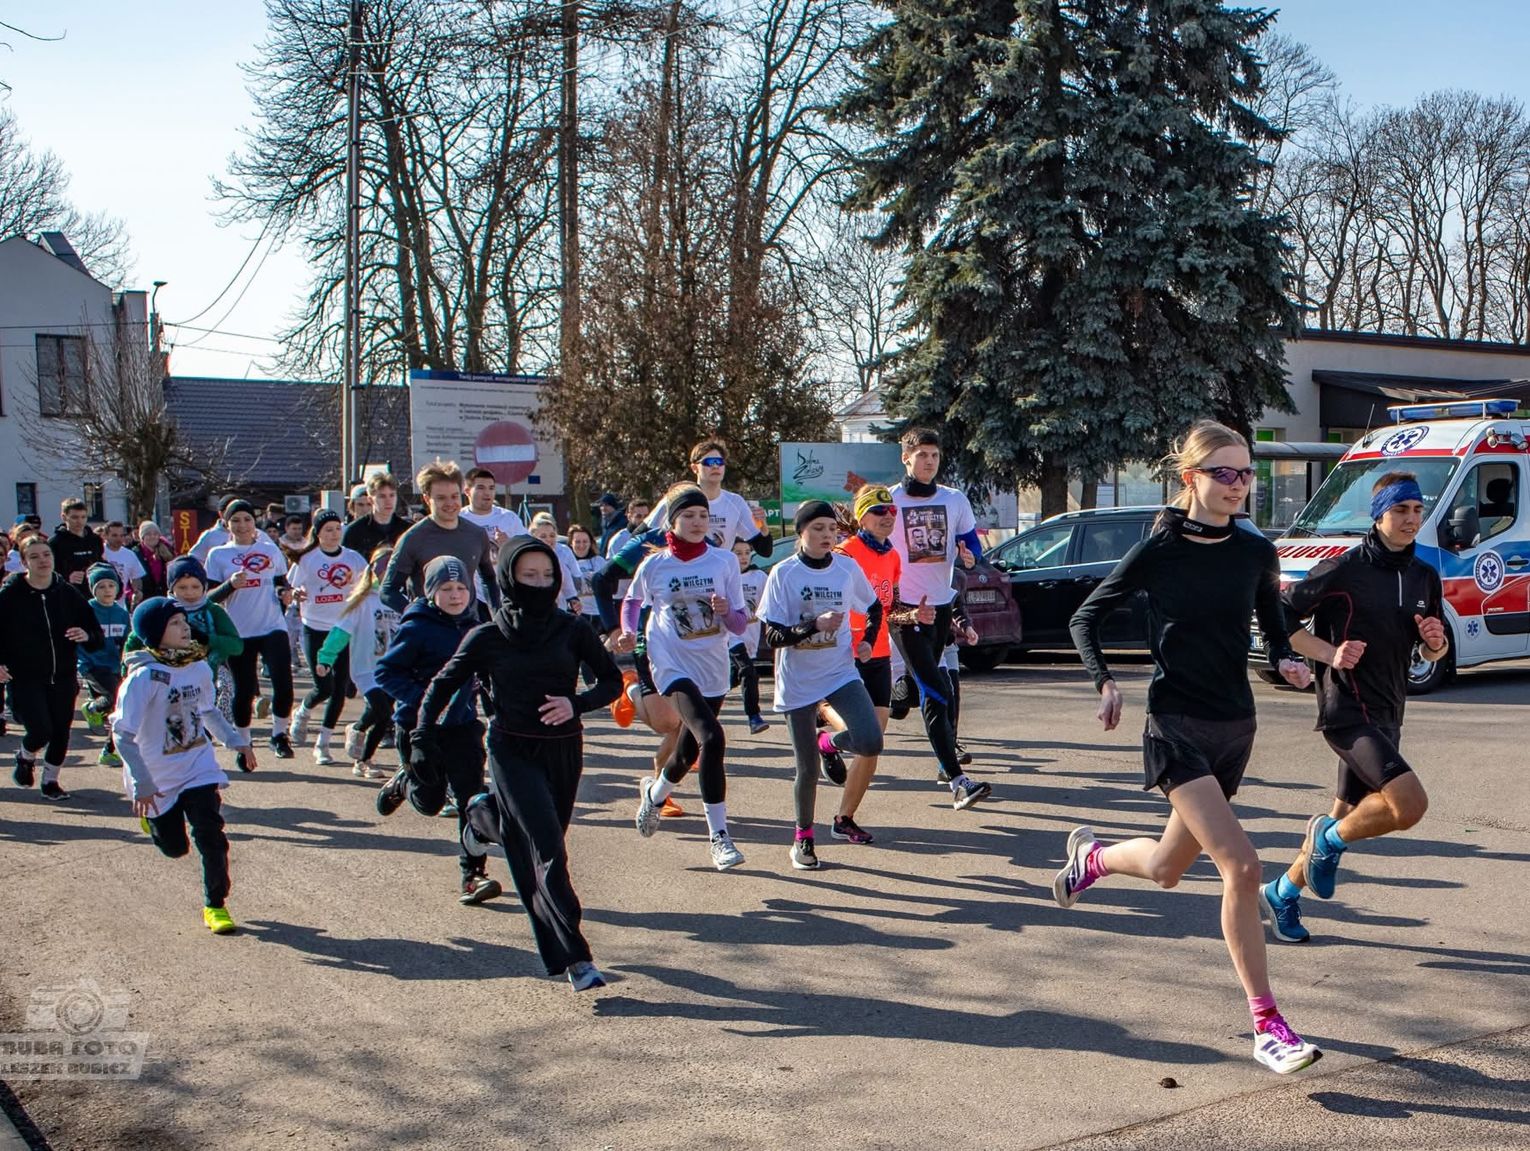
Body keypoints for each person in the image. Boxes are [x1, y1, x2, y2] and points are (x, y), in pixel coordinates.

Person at [1058, 420, 1322, 1075]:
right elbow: (1085, 616)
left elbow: (1274, 626)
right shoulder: (1161, 548)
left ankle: (1092, 856)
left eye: (1245, 473)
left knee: (1168, 866)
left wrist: (1289, 661)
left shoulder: (1255, 551)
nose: (1238, 485)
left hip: (1236, 725)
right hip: (1174, 723)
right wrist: (1106, 680)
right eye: (1224, 473)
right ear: (1191, 479)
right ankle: (1268, 1023)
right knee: (1242, 866)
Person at [424, 537, 623, 989]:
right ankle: (576, 958)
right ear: (508, 577)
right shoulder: (488, 635)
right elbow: (442, 685)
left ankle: (480, 819)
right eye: (528, 576)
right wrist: (420, 735)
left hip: (564, 750)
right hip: (511, 749)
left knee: (534, 837)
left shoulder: (572, 630)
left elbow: (611, 681)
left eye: (547, 576)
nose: (539, 583)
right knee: (547, 850)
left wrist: (577, 703)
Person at [1259, 472, 1444, 945]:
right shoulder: (1344, 568)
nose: (1411, 520)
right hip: (1346, 711)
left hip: (1389, 712)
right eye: (1401, 510)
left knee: (1347, 812)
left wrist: (1434, 647)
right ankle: (1328, 840)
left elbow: (1429, 651)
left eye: (1417, 510)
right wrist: (1328, 654)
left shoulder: (1424, 575)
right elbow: (1279, 619)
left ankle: (1282, 891)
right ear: (1379, 513)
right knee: (1409, 806)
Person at [619, 484, 750, 870]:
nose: (696, 523)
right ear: (672, 522)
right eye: (688, 516)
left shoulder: (723, 562)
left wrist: (726, 611)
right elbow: (632, 601)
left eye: (703, 516)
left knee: (689, 750)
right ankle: (720, 837)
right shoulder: (656, 564)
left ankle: (656, 793)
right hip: (671, 664)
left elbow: (740, 625)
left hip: (711, 665)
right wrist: (628, 630)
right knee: (712, 737)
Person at [115, 597, 257, 936]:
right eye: (175, 623)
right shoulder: (143, 677)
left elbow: (208, 711)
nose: (185, 628)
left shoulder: (196, 666)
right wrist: (141, 781)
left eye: (184, 621)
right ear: (155, 633)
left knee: (211, 834)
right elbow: (122, 735)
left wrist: (237, 740)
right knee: (175, 848)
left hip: (197, 765)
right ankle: (154, 821)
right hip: (156, 774)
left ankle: (215, 904)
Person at [760, 501, 884, 870]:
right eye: (818, 528)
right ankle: (803, 838)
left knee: (870, 739)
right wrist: (814, 625)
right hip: (798, 680)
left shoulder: (847, 568)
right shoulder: (784, 574)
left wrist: (867, 640)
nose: (827, 535)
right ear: (801, 532)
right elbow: (773, 635)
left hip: (839, 672)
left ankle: (827, 741)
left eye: (832, 528)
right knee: (807, 770)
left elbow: (875, 607)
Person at [374, 557, 501, 904]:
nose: (456, 595)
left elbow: (486, 671)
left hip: (462, 727)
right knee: (429, 803)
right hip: (419, 728)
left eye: (461, 588)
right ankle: (405, 781)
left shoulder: (477, 624)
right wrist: (426, 699)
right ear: (431, 592)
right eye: (446, 588)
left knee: (470, 799)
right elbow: (385, 674)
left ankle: (473, 874)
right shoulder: (416, 627)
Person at [888, 428, 992, 809]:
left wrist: (969, 558)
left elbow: (972, 546)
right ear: (906, 459)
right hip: (905, 609)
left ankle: (896, 692)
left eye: (934, 455)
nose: (929, 461)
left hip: (942, 607)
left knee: (922, 692)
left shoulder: (954, 498)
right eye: (921, 455)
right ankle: (957, 781)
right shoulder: (892, 501)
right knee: (938, 690)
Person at [825, 484, 929, 844]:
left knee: (874, 740)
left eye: (892, 513)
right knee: (865, 732)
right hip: (847, 654)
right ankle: (827, 727)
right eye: (879, 512)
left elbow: (891, 611)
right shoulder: (843, 554)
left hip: (879, 654)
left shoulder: (893, 556)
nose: (888, 518)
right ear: (861, 516)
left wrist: (917, 614)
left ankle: (844, 817)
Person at [0, 536, 104, 799]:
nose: (42, 561)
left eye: (46, 555)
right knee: (40, 730)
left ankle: (50, 781)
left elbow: (95, 633)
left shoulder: (67, 593)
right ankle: (25, 755)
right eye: (34, 557)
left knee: (61, 730)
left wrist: (86, 635)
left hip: (64, 674)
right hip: (25, 676)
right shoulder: (10, 595)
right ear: (23, 562)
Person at [205, 501, 298, 760]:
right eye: (236, 520)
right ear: (227, 524)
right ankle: (244, 743)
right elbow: (209, 598)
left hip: (271, 625)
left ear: (254, 521)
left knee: (283, 683)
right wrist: (230, 585)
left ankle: (279, 735)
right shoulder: (218, 555)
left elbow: (281, 583)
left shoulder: (269, 550)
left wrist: (286, 594)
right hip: (238, 630)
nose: (242, 525)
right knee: (244, 690)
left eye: (247, 519)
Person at [285, 509, 368, 765]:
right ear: (318, 533)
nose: (333, 534)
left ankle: (323, 743)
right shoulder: (307, 559)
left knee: (340, 689)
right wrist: (295, 594)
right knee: (324, 686)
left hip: (343, 629)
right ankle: (303, 711)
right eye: (328, 529)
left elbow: (369, 585)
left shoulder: (354, 559)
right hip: (314, 628)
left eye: (337, 528)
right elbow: (289, 588)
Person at [314, 547, 400, 779]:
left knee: (382, 714)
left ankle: (361, 743)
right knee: (382, 711)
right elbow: (339, 632)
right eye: (384, 567)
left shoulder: (402, 600)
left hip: (394, 669)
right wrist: (326, 658)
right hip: (367, 670)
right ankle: (361, 746)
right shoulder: (362, 602)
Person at [380, 461, 498, 613]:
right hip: (430, 629)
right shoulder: (413, 539)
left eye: (454, 496)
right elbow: (388, 590)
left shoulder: (476, 534)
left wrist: (496, 614)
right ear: (427, 499)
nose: (450, 503)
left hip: (468, 626)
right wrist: (414, 613)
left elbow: (489, 579)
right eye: (441, 498)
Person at [644, 439, 772, 557]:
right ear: (695, 468)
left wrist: (763, 526)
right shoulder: (677, 498)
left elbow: (765, 551)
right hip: (683, 570)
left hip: (718, 571)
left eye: (719, 462)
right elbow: (642, 536)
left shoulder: (735, 502)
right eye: (709, 462)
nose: (715, 467)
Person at [79, 564, 131, 767]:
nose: (107, 590)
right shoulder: (86, 610)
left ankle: (109, 751)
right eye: (101, 586)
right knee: (115, 698)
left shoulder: (121, 613)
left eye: (111, 585)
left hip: (114, 666)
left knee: (120, 709)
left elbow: (126, 641)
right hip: (92, 664)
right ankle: (91, 708)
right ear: (93, 590)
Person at [728, 538, 769, 734]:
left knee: (732, 678)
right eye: (738, 553)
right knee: (749, 672)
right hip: (731, 637)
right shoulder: (725, 576)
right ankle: (754, 717)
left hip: (750, 637)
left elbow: (770, 604)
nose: (743, 557)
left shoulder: (759, 577)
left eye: (746, 552)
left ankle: (707, 700)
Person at [342, 472, 412, 559]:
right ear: (371, 500)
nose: (388, 501)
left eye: (392, 495)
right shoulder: (355, 531)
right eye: (382, 496)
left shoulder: (407, 530)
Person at [459, 467, 528, 545]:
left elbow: (528, 548)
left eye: (491, 488)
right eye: (481, 488)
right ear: (467, 491)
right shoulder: (458, 518)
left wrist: (508, 544)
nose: (487, 493)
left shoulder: (509, 518)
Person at [527, 513, 582, 612]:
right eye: (543, 536)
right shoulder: (525, 559)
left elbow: (569, 586)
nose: (549, 539)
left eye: (552, 535)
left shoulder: (558, 559)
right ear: (533, 538)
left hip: (558, 611)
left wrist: (573, 600)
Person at [49, 498, 105, 588]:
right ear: (64, 517)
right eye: (74, 517)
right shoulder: (55, 543)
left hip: (93, 591)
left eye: (83, 517)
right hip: (67, 591)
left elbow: (101, 562)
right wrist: (67, 577)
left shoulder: (95, 540)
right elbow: (49, 571)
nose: (79, 521)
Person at [98, 521, 148, 605]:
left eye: (121, 535)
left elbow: (136, 577)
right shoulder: (99, 551)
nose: (119, 539)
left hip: (120, 604)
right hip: (99, 602)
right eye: (114, 535)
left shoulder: (129, 554)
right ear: (105, 536)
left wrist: (137, 591)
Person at [189, 496, 240, 564]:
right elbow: (195, 558)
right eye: (231, 511)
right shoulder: (210, 536)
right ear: (221, 513)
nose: (235, 515)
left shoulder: (255, 534)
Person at [134, 521, 175, 600]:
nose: (152, 536)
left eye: (155, 534)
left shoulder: (167, 551)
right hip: (144, 598)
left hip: (163, 596)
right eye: (148, 534)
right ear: (142, 537)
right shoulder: (136, 554)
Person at [567, 523, 606, 603]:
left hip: (598, 612)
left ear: (590, 543)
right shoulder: (566, 563)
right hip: (577, 612)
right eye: (577, 542)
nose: (581, 545)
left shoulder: (600, 561)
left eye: (585, 541)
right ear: (571, 543)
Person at [593, 492, 627, 559]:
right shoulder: (607, 523)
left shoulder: (621, 523)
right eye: (601, 505)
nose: (603, 508)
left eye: (606, 505)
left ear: (614, 507)